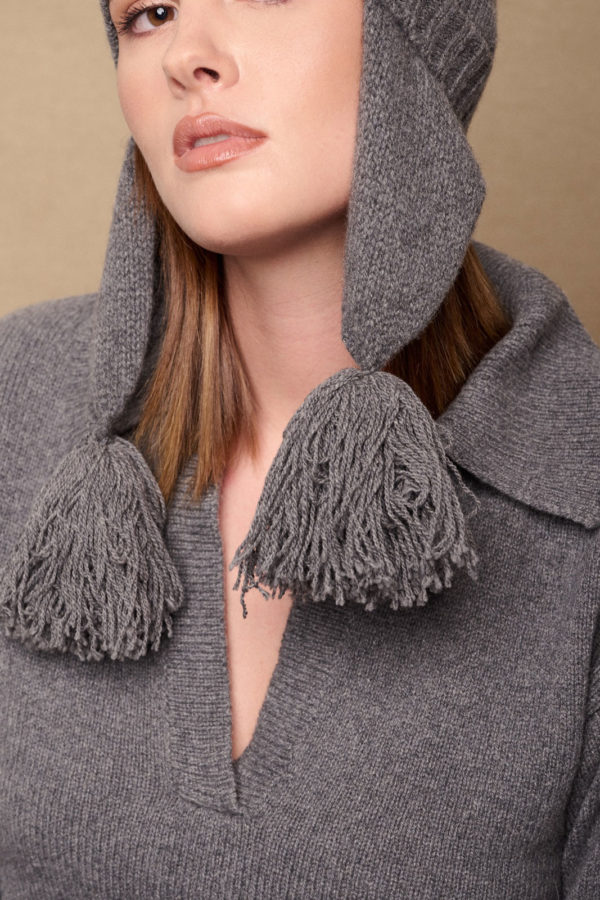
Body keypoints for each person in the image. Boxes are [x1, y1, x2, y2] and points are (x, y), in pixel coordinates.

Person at [0, 0, 598, 896]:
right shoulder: (18, 401)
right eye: (149, 14)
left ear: (412, 47)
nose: (187, 57)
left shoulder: (575, 486)